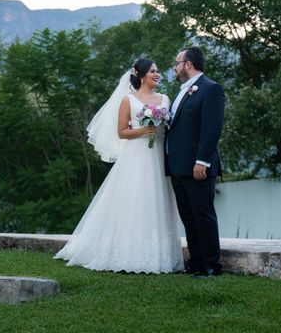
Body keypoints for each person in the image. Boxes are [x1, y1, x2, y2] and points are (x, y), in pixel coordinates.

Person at [54, 59, 184, 273]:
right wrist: (143, 131)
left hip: (159, 156)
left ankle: (159, 254)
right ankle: (128, 251)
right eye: (153, 71)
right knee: (134, 200)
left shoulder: (165, 99)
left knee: (157, 199)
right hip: (137, 155)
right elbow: (122, 132)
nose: (157, 74)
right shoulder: (128, 100)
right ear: (142, 75)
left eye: (158, 71)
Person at [164, 46, 225, 278]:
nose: (175, 68)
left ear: (188, 64)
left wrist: (202, 161)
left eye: (177, 63)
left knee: (203, 214)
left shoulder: (211, 89)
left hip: (198, 166)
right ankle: (196, 261)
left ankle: (211, 264)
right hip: (178, 166)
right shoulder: (182, 91)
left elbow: (211, 130)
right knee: (188, 215)